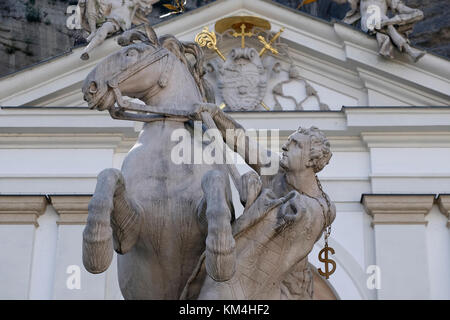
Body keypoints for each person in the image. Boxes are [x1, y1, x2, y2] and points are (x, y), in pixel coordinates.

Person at [181, 106, 336, 299]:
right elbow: (243, 143)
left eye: (295, 144)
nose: (285, 147)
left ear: (311, 159)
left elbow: (270, 238)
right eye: (288, 142)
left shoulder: (316, 209)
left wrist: (253, 199)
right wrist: (215, 115)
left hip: (283, 286)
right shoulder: (278, 170)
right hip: (251, 271)